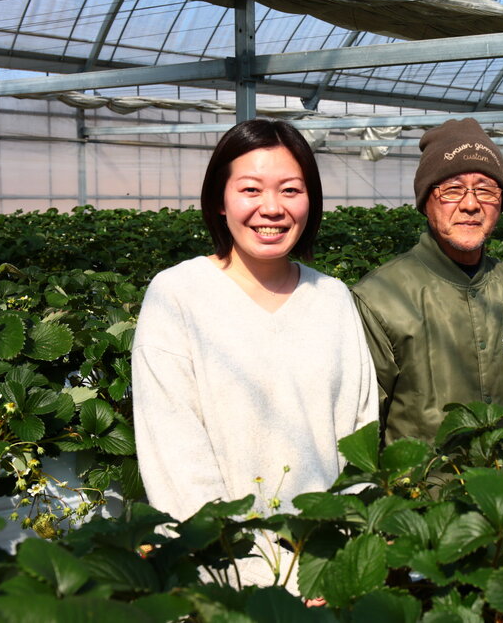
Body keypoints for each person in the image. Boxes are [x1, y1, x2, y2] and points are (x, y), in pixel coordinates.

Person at [132, 119, 377, 587]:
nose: (272, 208)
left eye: (290, 190)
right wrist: (242, 575)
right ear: (219, 200)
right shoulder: (177, 295)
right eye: (250, 189)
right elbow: (175, 457)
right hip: (217, 576)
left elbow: (359, 439)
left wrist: (336, 563)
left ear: (310, 201)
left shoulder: (333, 298)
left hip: (321, 570)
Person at [351, 118, 503, 445]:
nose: (471, 204)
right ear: (425, 202)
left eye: (486, 190)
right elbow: (360, 430)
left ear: (501, 203)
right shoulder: (379, 299)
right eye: (452, 189)